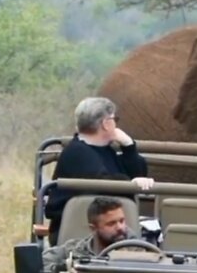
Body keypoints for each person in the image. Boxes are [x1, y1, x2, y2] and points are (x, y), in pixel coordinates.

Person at [44, 97, 152, 244]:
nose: (115, 124)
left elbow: (137, 172)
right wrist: (131, 184)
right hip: (78, 237)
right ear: (106, 124)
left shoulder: (105, 150)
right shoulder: (77, 152)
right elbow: (104, 184)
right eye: (114, 119)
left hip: (109, 232)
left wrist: (128, 146)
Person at [42, 196, 138, 271]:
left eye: (122, 221)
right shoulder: (75, 250)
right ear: (93, 228)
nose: (120, 227)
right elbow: (42, 262)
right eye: (111, 224)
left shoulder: (139, 251)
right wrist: (66, 269)